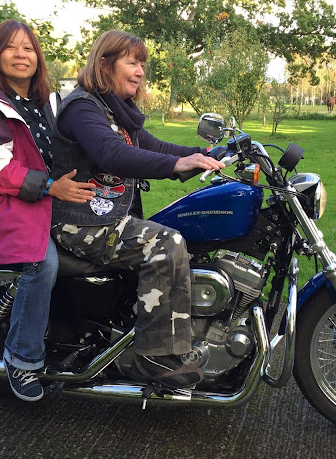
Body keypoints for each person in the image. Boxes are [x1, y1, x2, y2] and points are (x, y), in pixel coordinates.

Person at [50, 30, 224, 388]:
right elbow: (112, 153)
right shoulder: (83, 107)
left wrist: (205, 154)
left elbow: (155, 146)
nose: (141, 71)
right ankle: (154, 357)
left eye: (142, 64)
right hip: (81, 222)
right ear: (104, 65)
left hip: (106, 217)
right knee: (166, 243)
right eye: (132, 62)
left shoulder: (115, 111)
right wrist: (176, 165)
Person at [0, 20, 96, 401]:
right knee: (42, 262)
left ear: (37, 57)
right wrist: (50, 186)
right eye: (11, 47)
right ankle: (22, 358)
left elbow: (63, 146)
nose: (21, 55)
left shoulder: (44, 100)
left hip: (38, 193)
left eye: (28, 48)